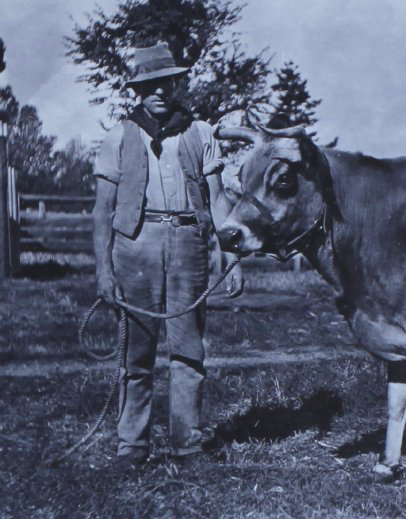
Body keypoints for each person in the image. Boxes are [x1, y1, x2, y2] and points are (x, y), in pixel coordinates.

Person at [92, 42, 243, 471]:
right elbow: (103, 210)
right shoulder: (120, 135)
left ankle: (187, 446)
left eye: (167, 82)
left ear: (177, 84)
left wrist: (233, 258)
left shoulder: (200, 134)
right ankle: (131, 446)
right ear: (138, 89)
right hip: (136, 246)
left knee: (188, 351)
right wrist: (104, 271)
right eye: (150, 84)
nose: (160, 91)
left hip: (188, 245)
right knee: (136, 353)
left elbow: (218, 202)